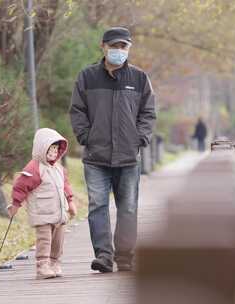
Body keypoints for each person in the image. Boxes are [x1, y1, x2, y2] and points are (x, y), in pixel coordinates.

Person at [69, 27, 157, 272]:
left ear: (128, 48)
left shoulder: (139, 79)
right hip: (96, 157)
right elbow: (77, 111)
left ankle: (126, 256)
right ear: (103, 47)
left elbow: (148, 112)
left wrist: (140, 138)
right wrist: (85, 136)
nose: (119, 51)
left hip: (128, 157)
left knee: (128, 207)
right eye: (114, 46)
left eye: (123, 47)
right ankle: (104, 256)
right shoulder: (87, 77)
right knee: (97, 205)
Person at [7, 128, 77, 279]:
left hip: (59, 213)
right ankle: (42, 266)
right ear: (41, 149)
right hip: (42, 213)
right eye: (49, 149)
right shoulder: (34, 168)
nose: (53, 153)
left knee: (58, 241)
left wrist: (70, 202)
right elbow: (21, 186)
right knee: (44, 240)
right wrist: (15, 204)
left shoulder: (59, 168)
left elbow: (66, 186)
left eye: (56, 149)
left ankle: (54, 263)